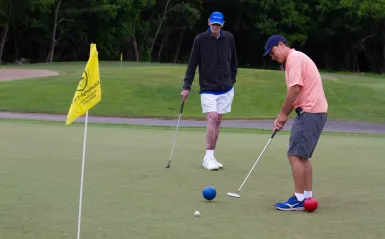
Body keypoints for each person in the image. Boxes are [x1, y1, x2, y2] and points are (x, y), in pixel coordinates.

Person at [263, 35, 328, 211]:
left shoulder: (294, 58)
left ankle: (299, 198)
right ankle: (307, 197)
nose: (272, 57)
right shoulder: (297, 58)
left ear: (281, 44)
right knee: (302, 156)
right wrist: (284, 115)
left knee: (294, 155)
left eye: (272, 52)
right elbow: (297, 92)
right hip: (314, 111)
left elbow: (295, 88)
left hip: (309, 111)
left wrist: (283, 114)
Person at [181, 11, 238, 171]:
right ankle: (208, 156)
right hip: (208, 88)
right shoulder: (200, 40)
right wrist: (186, 86)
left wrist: (232, 78)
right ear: (208, 23)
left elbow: (233, 60)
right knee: (212, 118)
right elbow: (192, 64)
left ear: (222, 24)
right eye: (213, 24)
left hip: (226, 87)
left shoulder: (229, 38)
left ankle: (210, 156)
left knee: (218, 120)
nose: (215, 27)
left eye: (218, 24)